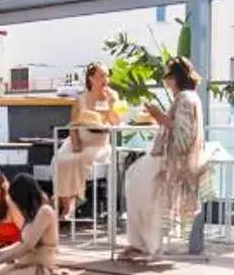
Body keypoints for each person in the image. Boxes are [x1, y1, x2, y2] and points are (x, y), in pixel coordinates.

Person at [117, 58, 206, 262]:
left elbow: (182, 131)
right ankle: (147, 245)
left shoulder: (184, 98)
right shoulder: (191, 97)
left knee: (137, 185)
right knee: (149, 197)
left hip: (171, 159)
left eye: (168, 77)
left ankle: (143, 244)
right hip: (175, 159)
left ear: (176, 79)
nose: (166, 81)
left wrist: (158, 116)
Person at [52, 62, 123, 219]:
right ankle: (66, 203)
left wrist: (110, 105)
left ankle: (75, 200)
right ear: (91, 78)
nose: (105, 79)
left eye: (106, 75)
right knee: (60, 159)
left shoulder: (112, 97)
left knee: (82, 159)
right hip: (79, 140)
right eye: (101, 76)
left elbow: (116, 122)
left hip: (99, 142)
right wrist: (75, 142)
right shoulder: (81, 99)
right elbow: (73, 124)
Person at [0, 172, 59, 275]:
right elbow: (21, 242)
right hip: (22, 265)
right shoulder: (31, 215)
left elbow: (28, 246)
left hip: (39, 270)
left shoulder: (45, 211)